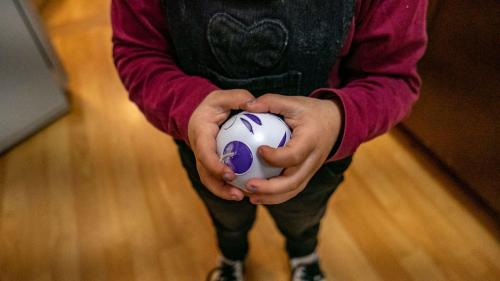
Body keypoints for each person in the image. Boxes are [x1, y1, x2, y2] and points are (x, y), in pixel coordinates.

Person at [111, 0, 427, 280]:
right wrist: (188, 106)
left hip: (317, 160)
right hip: (207, 153)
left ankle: (303, 253)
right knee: (226, 216)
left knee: (303, 218)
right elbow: (139, 53)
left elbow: (393, 76)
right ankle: (232, 254)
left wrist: (337, 118)